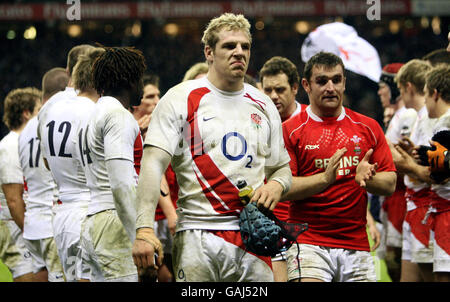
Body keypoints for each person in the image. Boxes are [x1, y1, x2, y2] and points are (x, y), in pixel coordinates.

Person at [132, 13, 292, 282]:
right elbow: (152, 163)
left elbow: (282, 170)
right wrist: (144, 228)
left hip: (252, 234)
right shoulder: (180, 98)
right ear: (209, 52)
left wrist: (276, 186)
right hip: (197, 233)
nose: (239, 53)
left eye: (245, 47)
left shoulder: (263, 105)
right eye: (229, 46)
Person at [281, 51, 397, 282]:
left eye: (336, 79)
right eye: (322, 81)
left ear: (344, 82)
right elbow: (284, 187)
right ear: (306, 85)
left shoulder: (368, 127)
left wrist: (366, 178)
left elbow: (390, 184)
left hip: (356, 243)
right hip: (308, 242)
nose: (330, 87)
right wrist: (325, 178)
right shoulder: (290, 130)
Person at [78, 46, 146, 282]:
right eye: (140, 79)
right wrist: (138, 234)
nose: (143, 86)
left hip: (93, 218)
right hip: (114, 223)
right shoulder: (118, 116)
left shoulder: (92, 115)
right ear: (129, 80)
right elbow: (120, 184)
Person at [37, 48, 102, 282]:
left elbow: (46, 160)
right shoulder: (97, 110)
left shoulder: (49, 109)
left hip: (62, 210)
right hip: (90, 209)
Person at [394, 65, 450, 281]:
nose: (425, 102)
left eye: (426, 94)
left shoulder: (445, 125)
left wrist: (408, 165)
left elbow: (438, 175)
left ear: (435, 94)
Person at [259, 55, 306, 282]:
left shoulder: (311, 121)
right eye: (267, 90)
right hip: (270, 224)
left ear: (295, 88)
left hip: (309, 224)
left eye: (280, 89)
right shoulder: (255, 124)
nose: (273, 96)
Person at [390, 59, 435, 282]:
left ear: (408, 87)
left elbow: (434, 172)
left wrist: (405, 163)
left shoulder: (431, 118)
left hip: (428, 207)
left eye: (400, 90)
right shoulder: (420, 117)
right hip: (415, 206)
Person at [17, 80, 65, 282]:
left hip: (33, 222)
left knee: (41, 276)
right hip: (50, 218)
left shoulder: (26, 130)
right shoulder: (56, 121)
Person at [376, 63, 417, 282]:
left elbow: (403, 157)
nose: (380, 91)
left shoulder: (407, 115)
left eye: (383, 86)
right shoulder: (398, 115)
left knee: (397, 260)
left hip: (402, 196)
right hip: (393, 198)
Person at [0, 88, 38, 282]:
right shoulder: (10, 145)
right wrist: (33, 236)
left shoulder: (25, 142)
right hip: (14, 228)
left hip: (23, 225)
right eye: (38, 110)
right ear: (26, 112)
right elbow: (14, 200)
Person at [132, 74, 161, 140]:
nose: (158, 101)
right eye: (150, 97)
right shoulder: (123, 128)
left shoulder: (161, 130)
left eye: (158, 96)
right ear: (135, 101)